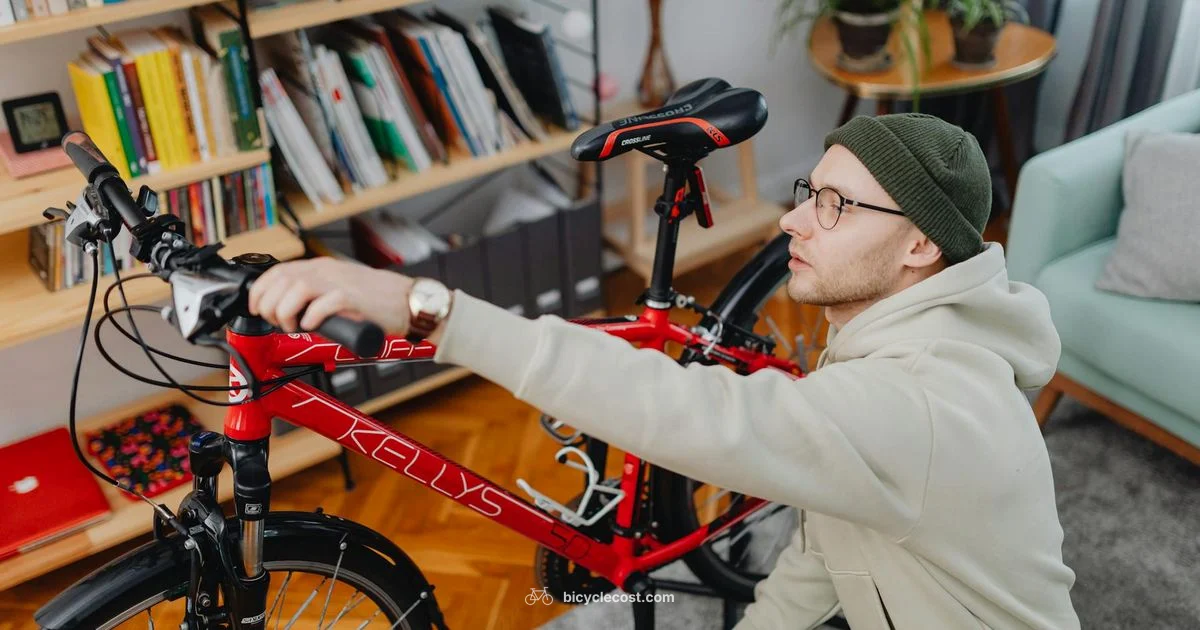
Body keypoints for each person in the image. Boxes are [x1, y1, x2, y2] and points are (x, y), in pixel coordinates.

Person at [249, 113, 1081, 629]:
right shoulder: (892, 346)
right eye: (809, 190)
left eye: (834, 205)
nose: (793, 217)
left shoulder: (919, 408)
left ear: (919, 246)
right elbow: (828, 549)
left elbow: (683, 411)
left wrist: (428, 308)